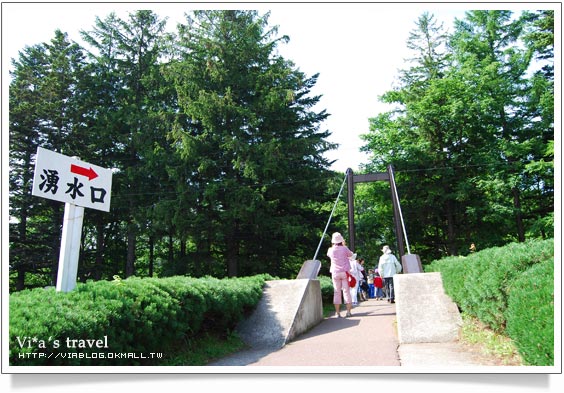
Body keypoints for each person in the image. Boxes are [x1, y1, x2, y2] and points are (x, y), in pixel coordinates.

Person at [326, 232, 354, 318]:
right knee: (346, 291)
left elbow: (328, 255)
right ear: (341, 240)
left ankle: (337, 313)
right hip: (345, 272)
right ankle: (348, 312)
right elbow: (351, 255)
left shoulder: (330, 250)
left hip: (335, 272)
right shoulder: (345, 248)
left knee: (337, 292)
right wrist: (344, 245)